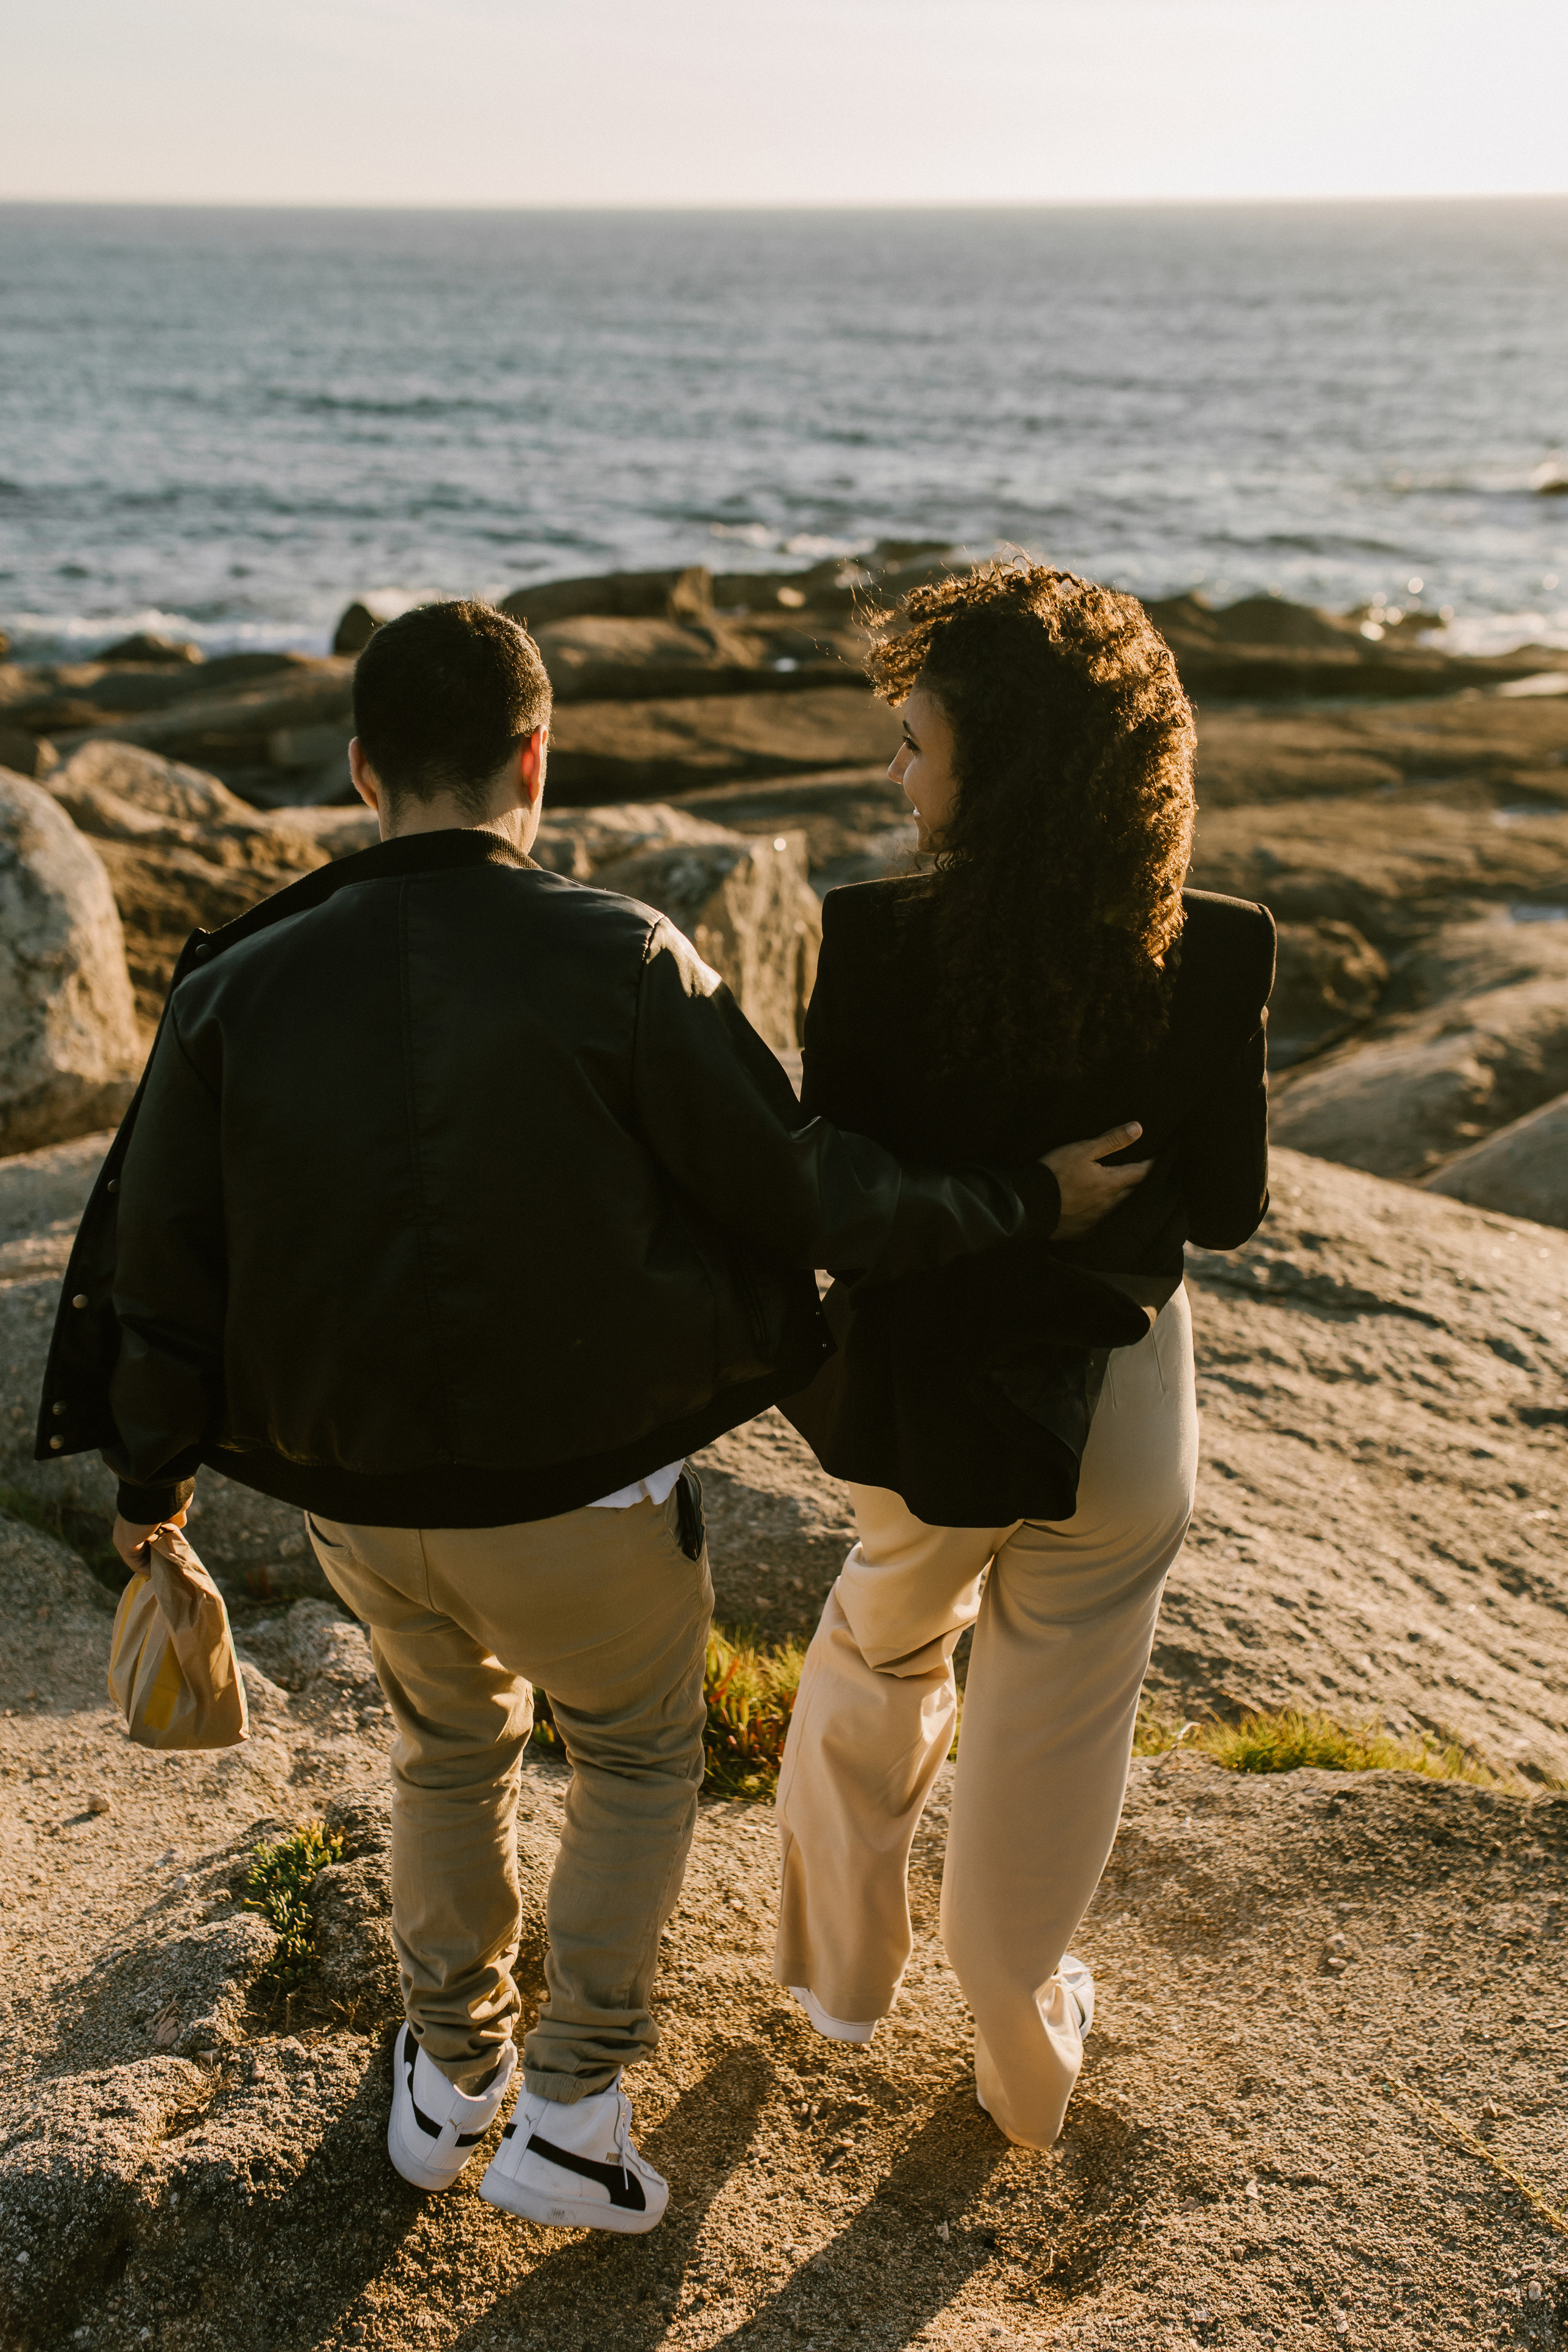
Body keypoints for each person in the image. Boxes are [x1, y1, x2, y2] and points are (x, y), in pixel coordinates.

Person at [37, 597, 1144, 2235]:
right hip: (583, 1505)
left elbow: (159, 1273)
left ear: (360, 773)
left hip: (360, 1504)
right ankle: (570, 2110)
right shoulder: (622, 953)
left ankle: (447, 2076)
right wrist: (1021, 1202)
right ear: (536, 761)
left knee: (444, 1747)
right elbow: (805, 1189)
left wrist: (150, 1490)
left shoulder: (229, 990)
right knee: (632, 1759)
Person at [772, 562, 1275, 2150]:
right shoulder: (1222, 950)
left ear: (998, 763)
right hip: (1119, 1412)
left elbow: (843, 1201)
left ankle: (841, 1976)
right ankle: (1019, 2043)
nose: (895, 771)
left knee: (881, 1639)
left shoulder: (868, 943)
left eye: (914, 742)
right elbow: (1241, 1210)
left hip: (931, 1414)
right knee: (1056, 1720)